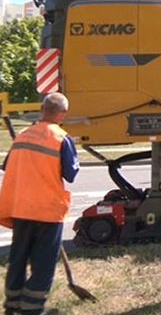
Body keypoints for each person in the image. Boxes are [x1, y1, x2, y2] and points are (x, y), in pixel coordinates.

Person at [0, 92, 79, 315]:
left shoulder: (22, 135)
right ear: (63, 114)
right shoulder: (61, 139)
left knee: (18, 258)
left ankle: (12, 306)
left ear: (42, 110)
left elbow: (8, 166)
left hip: (20, 207)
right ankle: (31, 309)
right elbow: (71, 174)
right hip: (46, 210)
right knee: (43, 263)